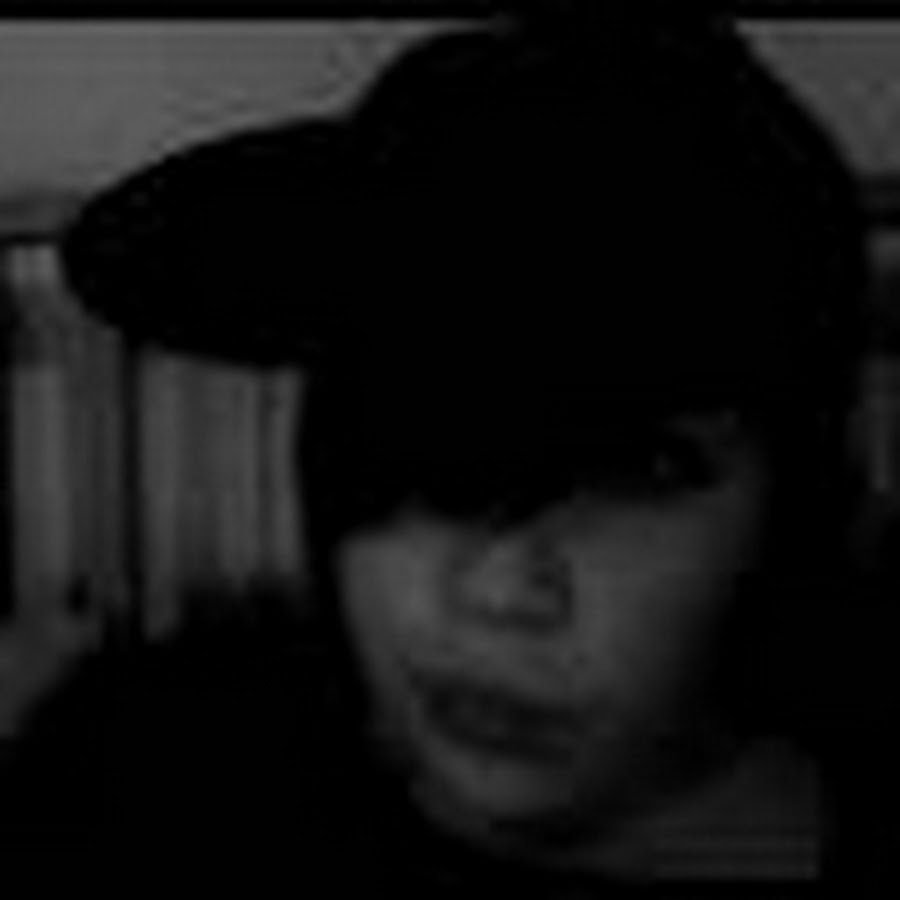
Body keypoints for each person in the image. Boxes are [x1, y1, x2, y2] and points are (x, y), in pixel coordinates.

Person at [0, 4, 880, 894]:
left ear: (793, 506)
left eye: (640, 469)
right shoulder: (154, 805)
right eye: (428, 442)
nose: (499, 592)